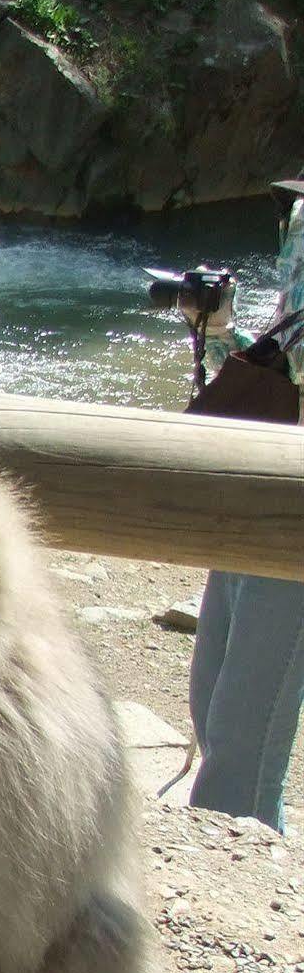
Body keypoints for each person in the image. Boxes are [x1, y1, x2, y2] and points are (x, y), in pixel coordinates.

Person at [186, 176, 304, 834]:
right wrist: (218, 330)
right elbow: (281, 359)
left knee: (239, 749)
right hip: (261, 474)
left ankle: (234, 906)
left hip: (292, 511)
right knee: (212, 706)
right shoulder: (300, 213)